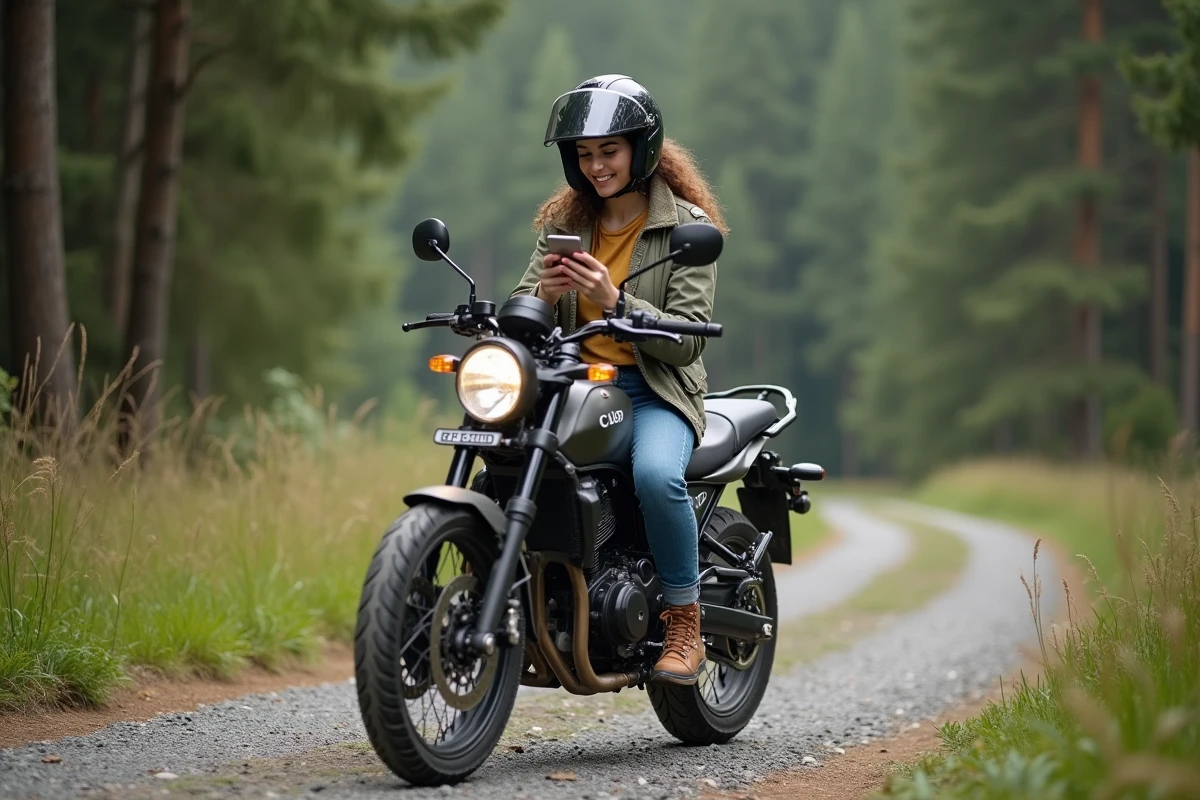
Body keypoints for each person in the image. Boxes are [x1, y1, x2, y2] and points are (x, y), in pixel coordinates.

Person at [511, 75, 727, 685]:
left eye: (609, 150)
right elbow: (525, 302)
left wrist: (614, 303)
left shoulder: (684, 225)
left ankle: (685, 619)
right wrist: (541, 296)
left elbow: (686, 338)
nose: (596, 165)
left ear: (641, 148)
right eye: (584, 154)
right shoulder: (567, 222)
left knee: (657, 477)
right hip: (576, 386)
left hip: (654, 389)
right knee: (504, 458)